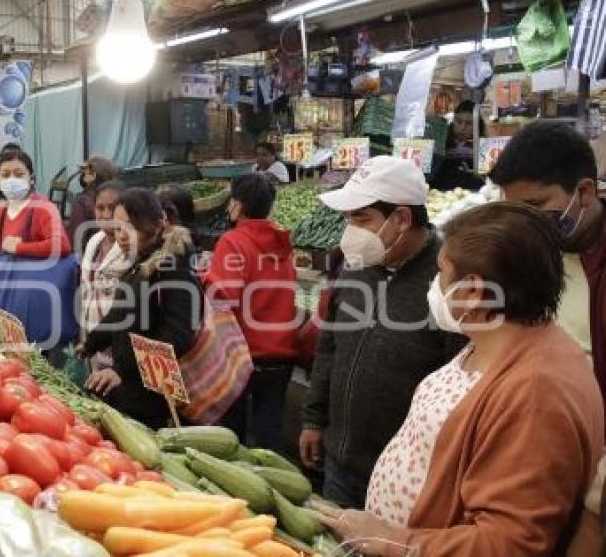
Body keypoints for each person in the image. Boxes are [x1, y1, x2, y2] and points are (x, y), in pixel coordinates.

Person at [319, 202, 604, 556]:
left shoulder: (537, 392)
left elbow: (509, 543)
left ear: (472, 291)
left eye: (442, 271)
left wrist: (395, 542)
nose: (435, 283)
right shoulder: (492, 342)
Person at [300, 156, 467, 509]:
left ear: (402, 219)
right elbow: (329, 346)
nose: (350, 231)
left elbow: (460, 384)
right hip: (339, 465)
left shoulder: (448, 282)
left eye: (361, 219)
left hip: (406, 478)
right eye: (348, 219)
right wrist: (314, 418)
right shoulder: (356, 270)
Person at [488, 120, 606, 555]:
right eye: (515, 212)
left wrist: (595, 508)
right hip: (541, 469)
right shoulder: (532, 261)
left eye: (538, 206)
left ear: (585, 193)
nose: (527, 225)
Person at [82, 188, 203, 428]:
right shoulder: (139, 262)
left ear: (158, 224)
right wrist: (89, 344)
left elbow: (176, 337)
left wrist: (122, 372)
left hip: (150, 397)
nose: (122, 236)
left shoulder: (173, 268)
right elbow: (120, 315)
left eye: (131, 226)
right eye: (117, 228)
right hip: (127, 390)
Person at [202, 172, 298, 451]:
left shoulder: (233, 241)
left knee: (231, 437)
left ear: (238, 204)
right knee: (269, 434)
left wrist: (205, 279)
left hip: (244, 356)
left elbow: (223, 297)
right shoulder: (283, 243)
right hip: (281, 354)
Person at [0, 150, 71, 287]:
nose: (11, 180)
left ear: (31, 178)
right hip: (3, 291)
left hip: (35, 288)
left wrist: (19, 247)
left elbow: (62, 246)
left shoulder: (44, 208)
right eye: (5, 175)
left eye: (19, 174)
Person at [79, 180, 127, 374]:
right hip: (91, 329)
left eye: (113, 208)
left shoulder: (129, 246)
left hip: (117, 335)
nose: (106, 215)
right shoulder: (94, 241)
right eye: (100, 208)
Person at [66, 155, 117, 254]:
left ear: (93, 175)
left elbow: (75, 240)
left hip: (90, 258)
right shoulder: (118, 197)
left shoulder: (83, 201)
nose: (82, 174)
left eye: (85, 171)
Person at [431, 101, 486, 192]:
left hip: (475, 197)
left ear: (478, 125)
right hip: (440, 196)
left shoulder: (484, 146)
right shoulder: (441, 142)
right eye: (458, 121)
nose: (462, 127)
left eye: (468, 123)